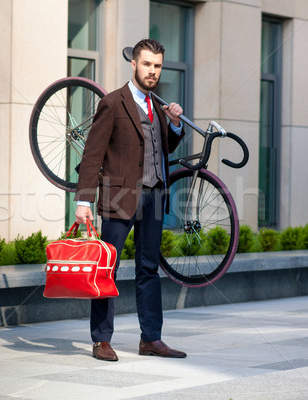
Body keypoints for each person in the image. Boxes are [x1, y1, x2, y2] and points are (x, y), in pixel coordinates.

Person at [74, 39, 186, 362]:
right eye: (148, 64)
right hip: (119, 198)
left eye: (158, 66)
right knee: (106, 268)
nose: (153, 71)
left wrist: (175, 124)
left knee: (149, 269)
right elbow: (93, 155)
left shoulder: (158, 108)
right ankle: (101, 340)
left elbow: (161, 148)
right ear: (134, 64)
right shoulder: (112, 103)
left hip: (154, 196)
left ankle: (151, 338)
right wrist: (83, 201)